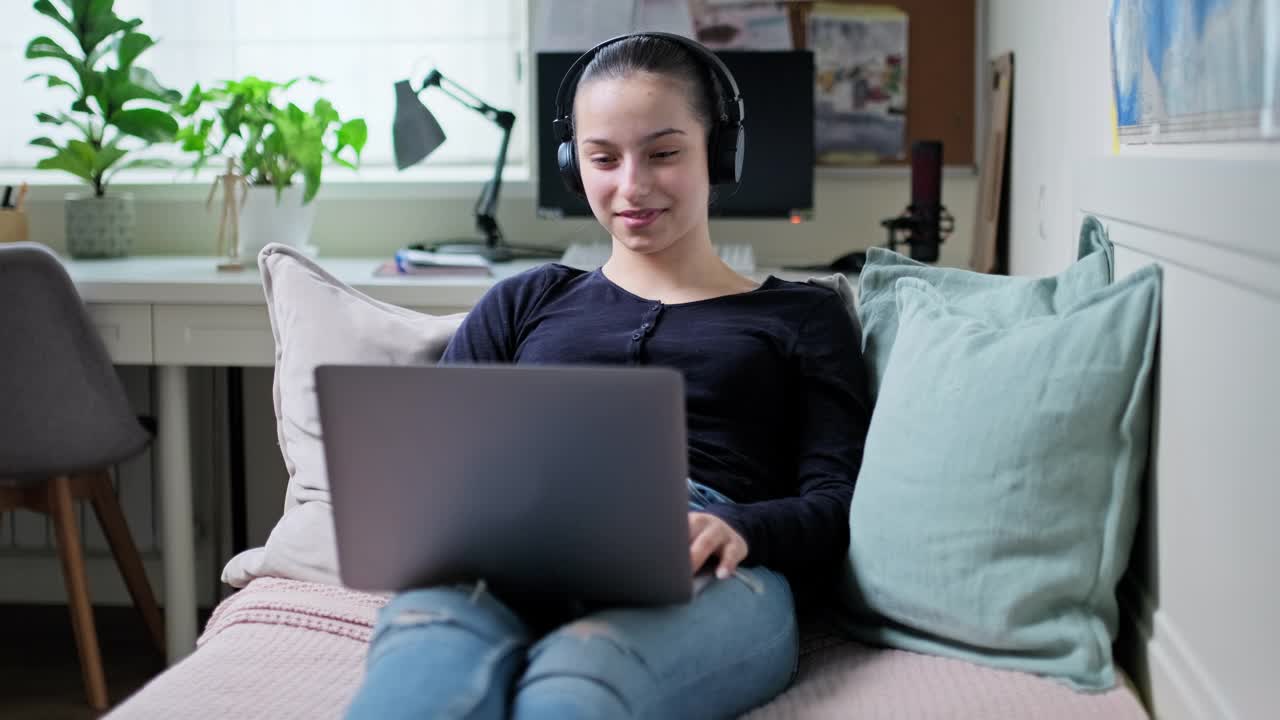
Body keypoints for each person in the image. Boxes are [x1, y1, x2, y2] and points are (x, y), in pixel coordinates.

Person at [344, 32, 871, 720]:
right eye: (602, 158)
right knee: (421, 672)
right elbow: (435, 476)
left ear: (718, 153)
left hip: (712, 568)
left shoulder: (804, 316)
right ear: (573, 166)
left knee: (573, 686)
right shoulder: (524, 301)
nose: (631, 186)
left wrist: (739, 525)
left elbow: (837, 502)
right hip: (512, 560)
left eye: (664, 153)